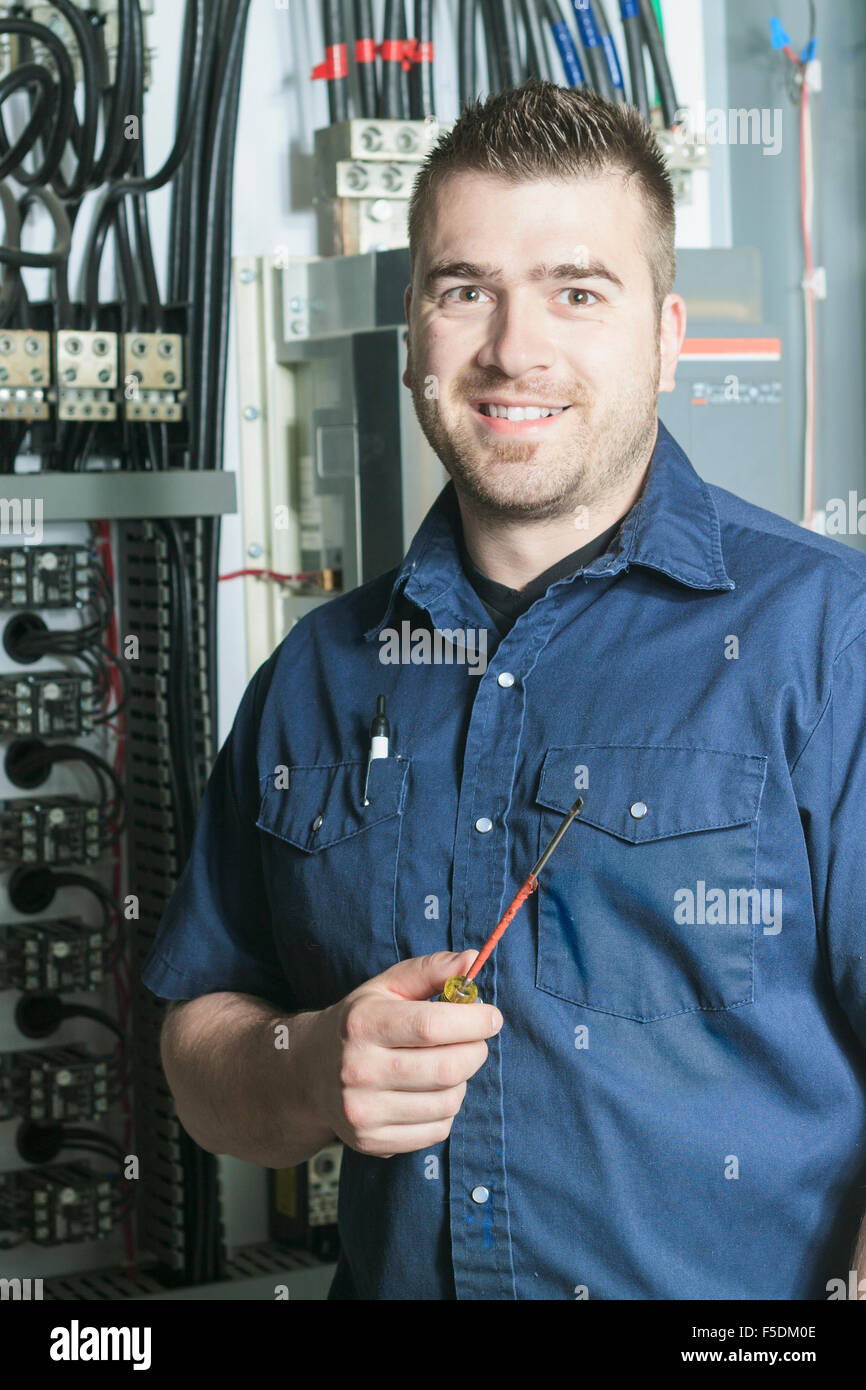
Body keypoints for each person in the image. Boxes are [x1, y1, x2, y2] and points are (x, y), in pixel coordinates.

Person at [143, 80, 866, 1301]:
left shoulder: (826, 639)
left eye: (576, 292)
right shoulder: (316, 673)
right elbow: (199, 1048)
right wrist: (309, 1064)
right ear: (414, 326)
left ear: (667, 335)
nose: (510, 349)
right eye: (463, 289)